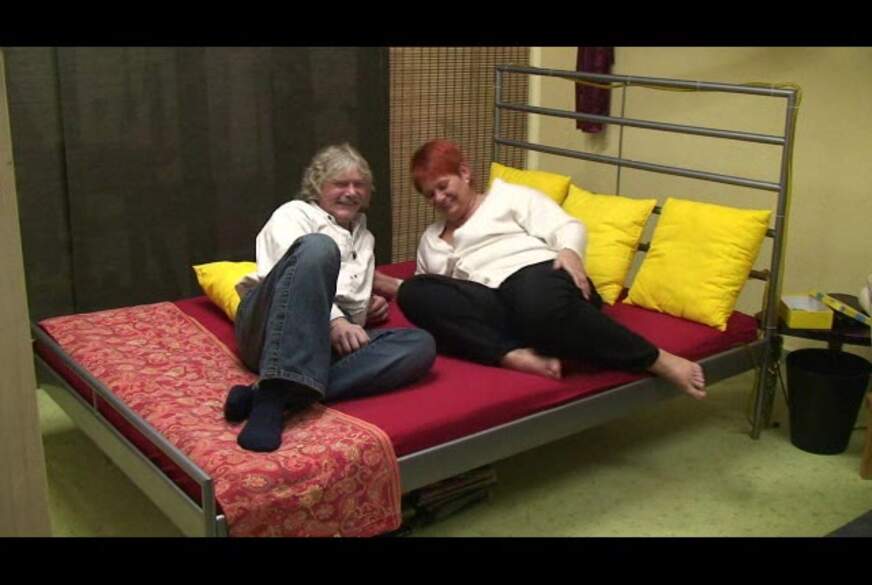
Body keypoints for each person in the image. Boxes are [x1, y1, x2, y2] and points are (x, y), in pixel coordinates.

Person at [393, 139, 706, 399]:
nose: (439, 198)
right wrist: (384, 284)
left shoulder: (508, 197)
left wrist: (569, 252)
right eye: (430, 194)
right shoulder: (431, 240)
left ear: (464, 173)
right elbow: (438, 294)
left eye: (443, 186)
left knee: (534, 301)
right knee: (413, 292)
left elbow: (566, 226)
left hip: (538, 280)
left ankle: (655, 359)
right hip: (494, 305)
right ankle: (511, 354)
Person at [226, 143, 436, 452]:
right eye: (340, 184)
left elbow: (350, 293)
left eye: (359, 185)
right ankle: (272, 398)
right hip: (270, 328)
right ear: (317, 186)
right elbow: (289, 283)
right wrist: (336, 321)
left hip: (318, 344)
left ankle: (276, 394)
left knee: (420, 345)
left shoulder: (364, 237)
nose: (351, 192)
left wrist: (362, 310)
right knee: (319, 247)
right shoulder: (294, 214)